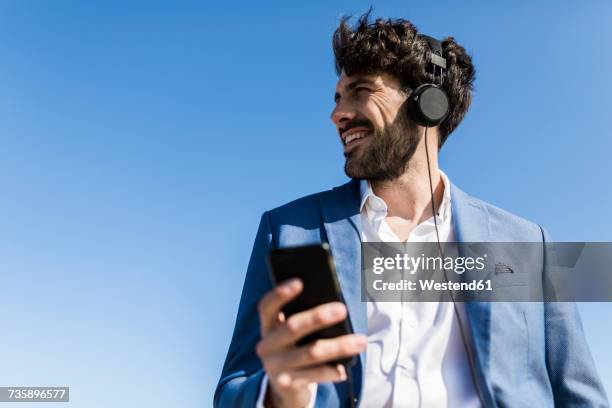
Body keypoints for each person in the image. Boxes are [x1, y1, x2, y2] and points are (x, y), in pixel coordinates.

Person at [214, 12, 609, 408]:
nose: (337, 114)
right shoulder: (286, 229)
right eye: (337, 97)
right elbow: (234, 388)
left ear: (427, 105)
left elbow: (579, 394)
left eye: (360, 91)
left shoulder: (526, 243)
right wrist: (280, 394)